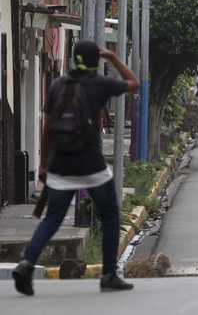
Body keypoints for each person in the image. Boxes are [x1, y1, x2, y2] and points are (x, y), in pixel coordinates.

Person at [12, 40, 140, 296]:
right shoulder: (101, 84)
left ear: (73, 59)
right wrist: (113, 57)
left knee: (52, 219)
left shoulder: (58, 85)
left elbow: (48, 129)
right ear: (96, 61)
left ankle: (26, 264)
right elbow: (134, 83)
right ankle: (109, 274)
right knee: (111, 215)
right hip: (91, 165)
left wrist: (45, 164)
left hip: (61, 165)